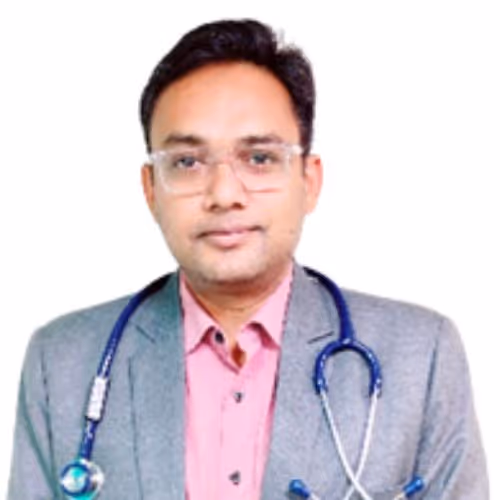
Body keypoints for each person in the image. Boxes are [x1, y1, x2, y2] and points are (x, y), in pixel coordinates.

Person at [8, 18, 488, 500]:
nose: (224, 194)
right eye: (187, 162)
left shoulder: (420, 356)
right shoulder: (63, 362)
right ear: (151, 190)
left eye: (259, 158)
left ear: (309, 180)